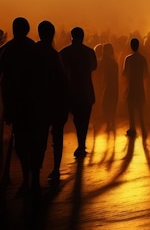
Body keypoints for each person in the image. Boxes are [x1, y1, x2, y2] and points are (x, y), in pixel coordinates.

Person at [0, 17, 38, 194]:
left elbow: (4, 80)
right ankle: (32, 178)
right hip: (32, 102)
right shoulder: (34, 48)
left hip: (15, 102)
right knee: (31, 141)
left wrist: (6, 106)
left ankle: (21, 178)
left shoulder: (6, 50)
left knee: (18, 142)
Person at [35, 21, 69, 183]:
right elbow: (62, 81)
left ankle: (35, 172)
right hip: (54, 104)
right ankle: (55, 168)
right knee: (57, 138)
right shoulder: (54, 54)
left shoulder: (33, 52)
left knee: (38, 139)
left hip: (38, 104)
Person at [60, 27, 98, 158]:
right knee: (85, 119)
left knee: (76, 119)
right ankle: (82, 144)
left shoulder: (64, 52)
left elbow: (61, 72)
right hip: (86, 91)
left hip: (71, 91)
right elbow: (94, 67)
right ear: (83, 37)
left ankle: (80, 144)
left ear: (71, 36)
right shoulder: (89, 52)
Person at [122, 38, 149, 139]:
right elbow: (146, 74)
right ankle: (143, 128)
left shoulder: (128, 58)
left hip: (131, 85)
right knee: (140, 109)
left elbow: (124, 73)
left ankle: (132, 128)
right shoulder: (143, 59)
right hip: (140, 85)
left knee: (131, 108)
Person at [100, 43, 119, 134]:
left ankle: (109, 124)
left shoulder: (104, 61)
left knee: (106, 105)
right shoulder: (114, 62)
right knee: (112, 106)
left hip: (107, 86)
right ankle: (111, 124)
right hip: (114, 86)